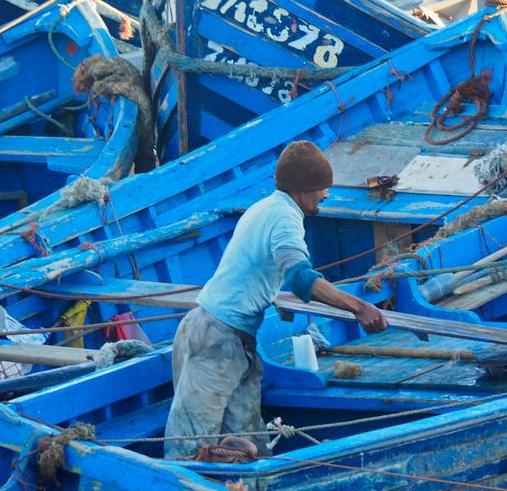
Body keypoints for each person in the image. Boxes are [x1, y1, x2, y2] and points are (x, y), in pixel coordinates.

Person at [164, 141, 388, 458]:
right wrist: (359, 307)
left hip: (235, 340)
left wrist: (268, 293)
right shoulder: (285, 218)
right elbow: (299, 277)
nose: (326, 195)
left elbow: (263, 271)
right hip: (215, 339)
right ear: (303, 189)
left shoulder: (264, 207)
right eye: (322, 188)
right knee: (189, 451)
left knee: (247, 448)